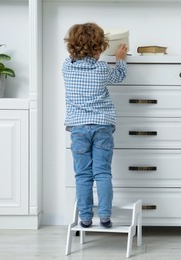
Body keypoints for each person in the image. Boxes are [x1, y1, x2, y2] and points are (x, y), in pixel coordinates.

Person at [62, 22, 128, 228]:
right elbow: (119, 76)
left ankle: (86, 218)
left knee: (83, 174)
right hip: (102, 127)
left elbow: (75, 60)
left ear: (72, 47)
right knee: (102, 172)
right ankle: (106, 216)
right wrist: (120, 60)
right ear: (99, 49)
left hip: (78, 129)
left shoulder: (66, 66)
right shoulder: (101, 69)